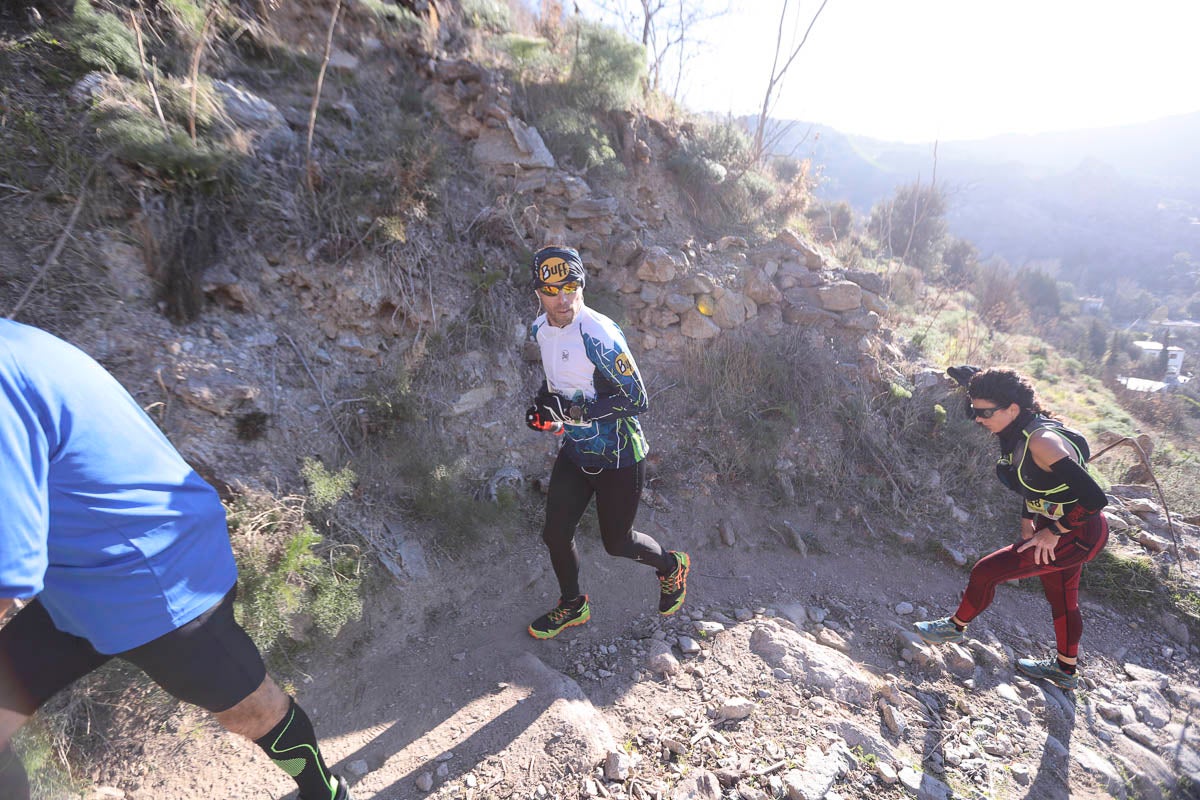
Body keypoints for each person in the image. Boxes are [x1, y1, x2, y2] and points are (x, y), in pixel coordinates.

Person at [0, 319, 351, 800]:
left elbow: (6, 578)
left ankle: (324, 792)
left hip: (156, 575)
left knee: (251, 711)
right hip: (77, 580)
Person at [523, 246, 690, 639]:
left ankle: (671, 567)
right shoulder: (540, 329)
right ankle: (573, 605)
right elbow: (559, 382)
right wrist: (545, 408)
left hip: (620, 457)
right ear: (538, 293)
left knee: (618, 543)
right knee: (555, 534)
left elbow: (637, 399)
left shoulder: (598, 333)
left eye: (571, 287)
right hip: (577, 451)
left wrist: (571, 412)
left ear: (582, 285)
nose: (563, 298)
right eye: (552, 290)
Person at [913, 367, 1109, 690]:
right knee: (1062, 598)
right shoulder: (1018, 429)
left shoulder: (1042, 442)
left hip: (1078, 531)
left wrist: (1053, 531)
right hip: (1060, 525)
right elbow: (1036, 482)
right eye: (974, 411)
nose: (978, 419)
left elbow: (1094, 499)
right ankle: (1065, 670)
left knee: (986, 571)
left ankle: (955, 627)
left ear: (1013, 409)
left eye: (984, 413)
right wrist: (1027, 519)